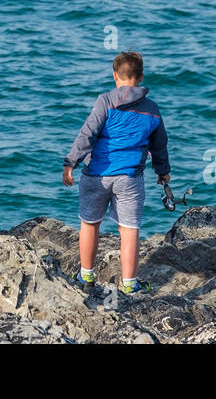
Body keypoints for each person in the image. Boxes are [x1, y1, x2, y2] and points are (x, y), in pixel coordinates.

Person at [62, 51, 170, 295]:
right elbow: (159, 144)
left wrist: (71, 162)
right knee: (129, 229)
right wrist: (162, 171)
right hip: (130, 178)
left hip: (96, 176)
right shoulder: (152, 110)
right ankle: (130, 283)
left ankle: (86, 277)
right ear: (141, 77)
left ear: (115, 76)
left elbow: (88, 133)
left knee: (90, 224)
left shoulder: (105, 101)